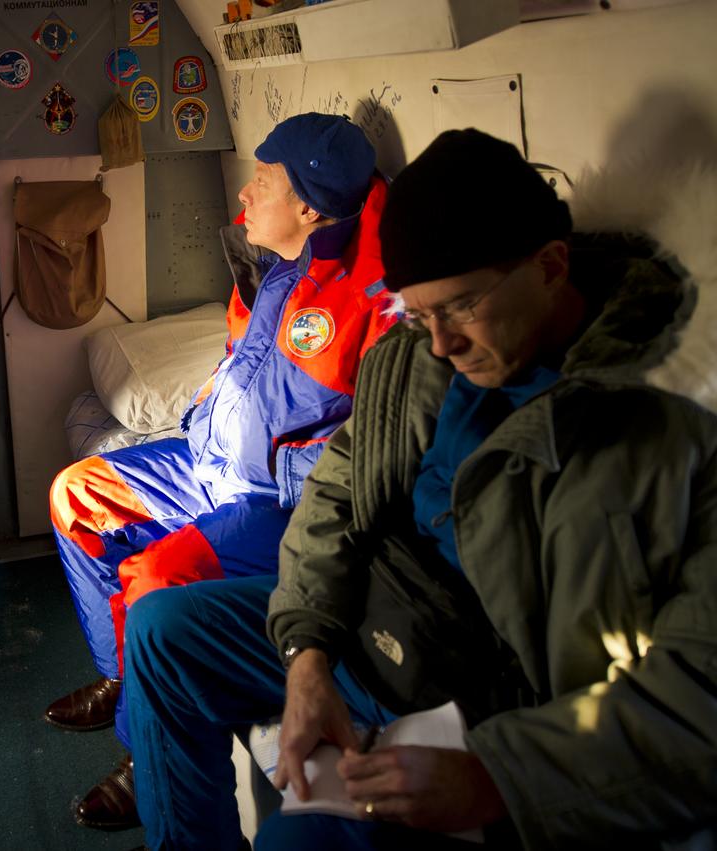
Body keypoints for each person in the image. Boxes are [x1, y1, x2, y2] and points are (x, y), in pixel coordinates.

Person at [123, 128, 717, 850]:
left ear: (553, 266)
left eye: (461, 307)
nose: (440, 342)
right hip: (373, 618)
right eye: (418, 313)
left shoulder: (655, 428)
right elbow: (334, 497)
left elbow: (696, 693)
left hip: (482, 692)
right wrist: (306, 650)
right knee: (162, 630)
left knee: (294, 844)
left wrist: (499, 776)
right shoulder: (413, 358)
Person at [46, 113, 396, 830]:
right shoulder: (278, 269)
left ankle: (142, 749)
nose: (243, 192)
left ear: (307, 205)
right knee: (78, 494)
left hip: (273, 502)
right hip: (204, 466)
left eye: (261, 181)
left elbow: (372, 434)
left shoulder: (369, 293)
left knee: (155, 579)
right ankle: (125, 677)